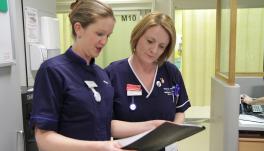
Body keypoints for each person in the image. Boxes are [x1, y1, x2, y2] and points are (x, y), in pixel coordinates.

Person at [30, 0, 132, 151]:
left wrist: (153, 126)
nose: (104, 41)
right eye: (99, 34)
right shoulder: (53, 71)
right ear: (78, 28)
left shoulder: (101, 75)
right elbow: (44, 139)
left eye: (108, 35)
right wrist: (102, 147)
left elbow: (106, 124)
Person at [105, 12, 191, 151]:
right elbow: (106, 124)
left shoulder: (171, 73)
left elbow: (179, 111)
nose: (154, 50)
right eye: (150, 41)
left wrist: (172, 134)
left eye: (162, 46)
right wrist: (152, 127)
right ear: (137, 36)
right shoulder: (113, 74)